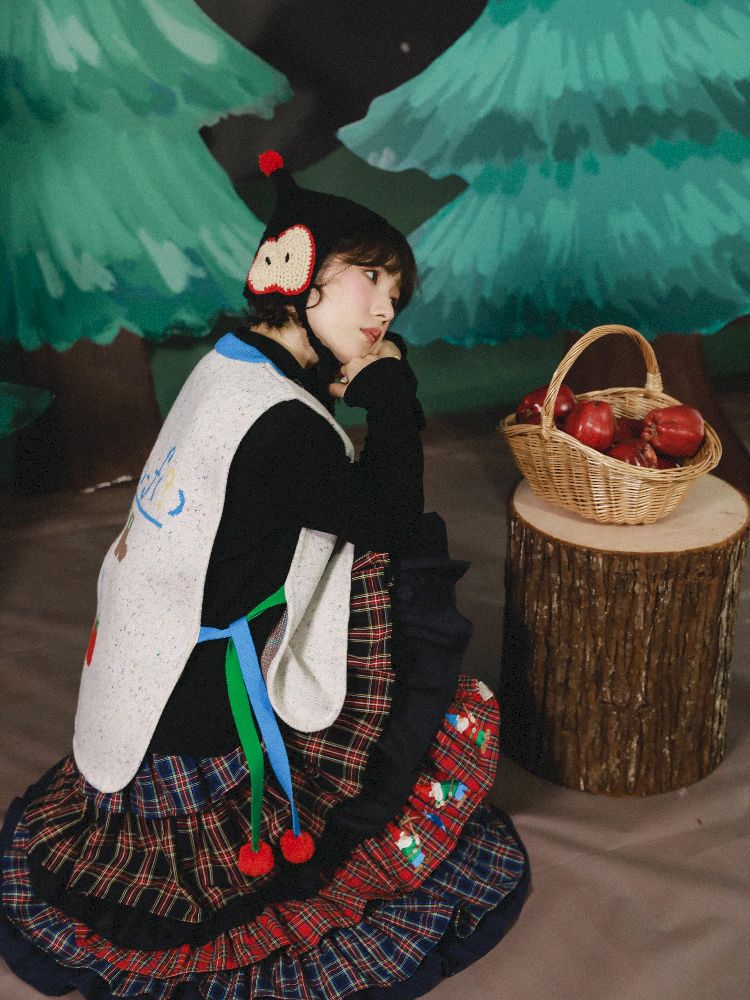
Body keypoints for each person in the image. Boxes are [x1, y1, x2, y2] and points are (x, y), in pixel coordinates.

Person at [0, 151, 528, 999]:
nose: (386, 311)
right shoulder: (285, 428)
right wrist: (391, 390)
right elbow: (392, 517)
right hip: (189, 712)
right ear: (301, 276)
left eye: (397, 296)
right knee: (395, 572)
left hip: (140, 679)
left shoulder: (229, 368)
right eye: (371, 278)